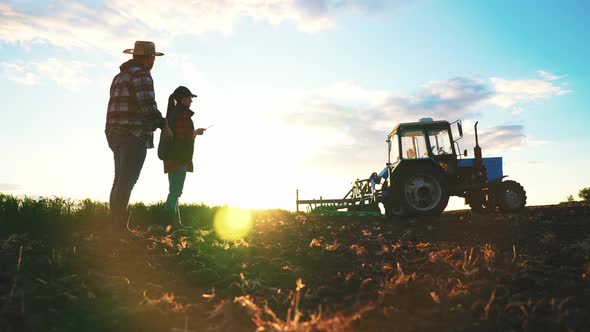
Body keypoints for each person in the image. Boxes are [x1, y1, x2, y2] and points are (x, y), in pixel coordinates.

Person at [105, 40, 173, 229]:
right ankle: (118, 227)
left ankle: (114, 225)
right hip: (132, 133)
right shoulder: (142, 74)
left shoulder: (119, 76)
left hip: (113, 133)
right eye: (153, 58)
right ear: (149, 58)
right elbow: (148, 105)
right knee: (127, 181)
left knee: (119, 179)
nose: (153, 62)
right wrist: (163, 125)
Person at [162, 86, 206, 225]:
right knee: (175, 192)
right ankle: (168, 222)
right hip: (178, 157)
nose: (191, 101)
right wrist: (196, 132)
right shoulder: (181, 114)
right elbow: (183, 137)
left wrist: (194, 133)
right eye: (190, 98)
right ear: (183, 99)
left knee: (175, 191)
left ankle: (176, 223)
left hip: (174, 157)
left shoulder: (174, 113)